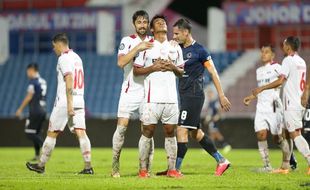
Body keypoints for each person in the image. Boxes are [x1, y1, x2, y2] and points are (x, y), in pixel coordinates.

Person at [156, 18, 231, 176]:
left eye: (176, 34)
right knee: (195, 133)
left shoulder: (200, 51)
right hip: (183, 94)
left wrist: (221, 95)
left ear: (186, 32)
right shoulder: (178, 49)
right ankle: (221, 160)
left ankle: (175, 170)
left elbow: (213, 72)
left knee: (181, 130)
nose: (174, 36)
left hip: (194, 94)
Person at [26, 33, 93, 174]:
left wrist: (69, 104)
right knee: (81, 133)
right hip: (80, 99)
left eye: (53, 46)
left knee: (52, 133)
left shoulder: (64, 58)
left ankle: (41, 165)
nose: (53, 49)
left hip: (65, 101)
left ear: (59, 44)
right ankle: (88, 167)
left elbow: (69, 79)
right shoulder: (77, 57)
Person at [133, 15, 184, 178]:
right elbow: (136, 70)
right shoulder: (146, 46)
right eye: (157, 22)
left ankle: (172, 169)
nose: (162, 22)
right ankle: (142, 170)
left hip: (171, 98)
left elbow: (182, 72)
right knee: (147, 131)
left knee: (171, 132)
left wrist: (172, 66)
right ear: (152, 29)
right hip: (151, 97)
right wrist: (153, 67)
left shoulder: (175, 47)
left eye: (164, 21)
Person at [252, 36, 310, 175]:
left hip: (292, 103)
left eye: (284, 44)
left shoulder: (288, 60)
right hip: (297, 102)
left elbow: (280, 81)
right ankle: (285, 167)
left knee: (295, 134)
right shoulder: (301, 61)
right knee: (286, 133)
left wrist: (262, 88)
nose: (282, 47)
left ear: (288, 47)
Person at [112, 10, 154, 178]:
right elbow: (120, 62)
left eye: (145, 22)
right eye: (139, 22)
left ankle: (145, 169)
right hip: (129, 91)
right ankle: (115, 167)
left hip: (148, 94)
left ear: (148, 24)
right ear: (134, 24)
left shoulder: (154, 42)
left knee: (148, 132)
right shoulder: (127, 41)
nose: (142, 25)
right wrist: (138, 48)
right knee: (121, 129)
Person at [243, 45, 293, 172]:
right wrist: (251, 97)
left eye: (266, 52)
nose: (263, 54)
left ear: (272, 55)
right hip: (261, 107)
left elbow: (281, 82)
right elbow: (260, 89)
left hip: (274, 106)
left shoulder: (278, 67)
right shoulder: (258, 71)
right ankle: (267, 166)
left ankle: (287, 162)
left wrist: (263, 88)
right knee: (260, 134)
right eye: (262, 52)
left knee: (277, 138)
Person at [16, 63, 47, 161]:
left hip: (35, 110)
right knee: (36, 133)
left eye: (27, 71)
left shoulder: (33, 82)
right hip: (43, 109)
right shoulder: (43, 81)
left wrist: (20, 109)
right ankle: (38, 155)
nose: (27, 73)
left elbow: (29, 96)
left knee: (29, 133)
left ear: (31, 70)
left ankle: (46, 150)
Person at [204, 88, 231, 153]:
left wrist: (217, 116)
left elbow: (220, 109)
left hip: (214, 120)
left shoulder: (215, 102)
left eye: (210, 94)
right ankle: (211, 147)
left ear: (212, 94)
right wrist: (207, 118)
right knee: (213, 134)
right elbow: (209, 112)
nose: (209, 96)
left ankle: (225, 145)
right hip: (211, 120)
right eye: (208, 95)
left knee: (215, 133)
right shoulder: (210, 103)